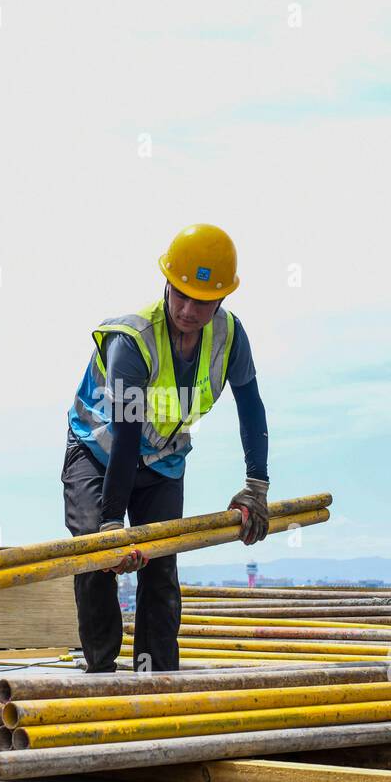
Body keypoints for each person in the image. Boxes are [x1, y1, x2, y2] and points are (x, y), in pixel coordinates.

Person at [64, 224, 271, 673]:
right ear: (167, 284)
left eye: (202, 301)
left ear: (222, 300)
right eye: (180, 295)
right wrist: (111, 523)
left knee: (159, 568)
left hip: (162, 460)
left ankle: (154, 677)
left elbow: (250, 407)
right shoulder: (133, 340)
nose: (188, 309)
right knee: (96, 556)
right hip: (98, 452)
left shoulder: (230, 338)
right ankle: (100, 674)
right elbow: (125, 433)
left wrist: (257, 486)